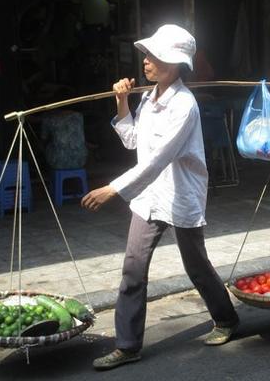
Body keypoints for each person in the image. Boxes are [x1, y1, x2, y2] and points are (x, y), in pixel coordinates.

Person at [81, 24, 239, 371]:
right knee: (133, 269)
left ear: (174, 63)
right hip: (149, 196)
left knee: (196, 265)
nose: (147, 61)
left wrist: (113, 188)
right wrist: (121, 102)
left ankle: (226, 319)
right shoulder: (148, 99)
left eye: (154, 56)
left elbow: (158, 160)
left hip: (180, 194)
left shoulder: (185, 106)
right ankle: (128, 345)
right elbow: (133, 142)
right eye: (148, 55)